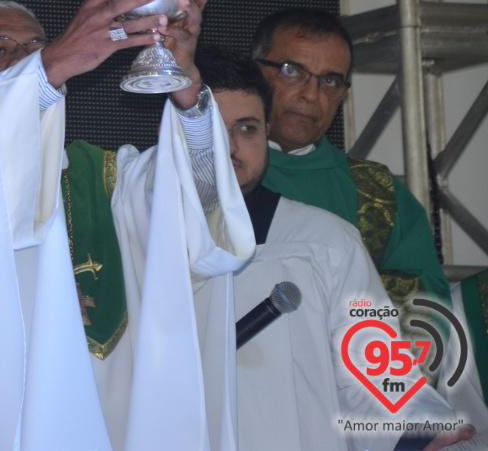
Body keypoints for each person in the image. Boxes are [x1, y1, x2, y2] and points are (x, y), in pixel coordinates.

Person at [0, 0, 256, 450]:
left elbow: (198, 228)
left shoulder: (105, 178)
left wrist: (186, 89)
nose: (22, 60)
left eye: (34, 48)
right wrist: (49, 67)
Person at [194, 45, 474, 451]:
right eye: (210, 129)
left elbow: (375, 370)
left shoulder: (325, 241)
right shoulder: (132, 238)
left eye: (247, 128)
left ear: (266, 133)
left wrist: (419, 433)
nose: (231, 146)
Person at [251, 9, 450, 312]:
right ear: (255, 72)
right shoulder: (208, 172)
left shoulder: (377, 192)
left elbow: (429, 306)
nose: (311, 94)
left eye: (330, 81)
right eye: (292, 71)